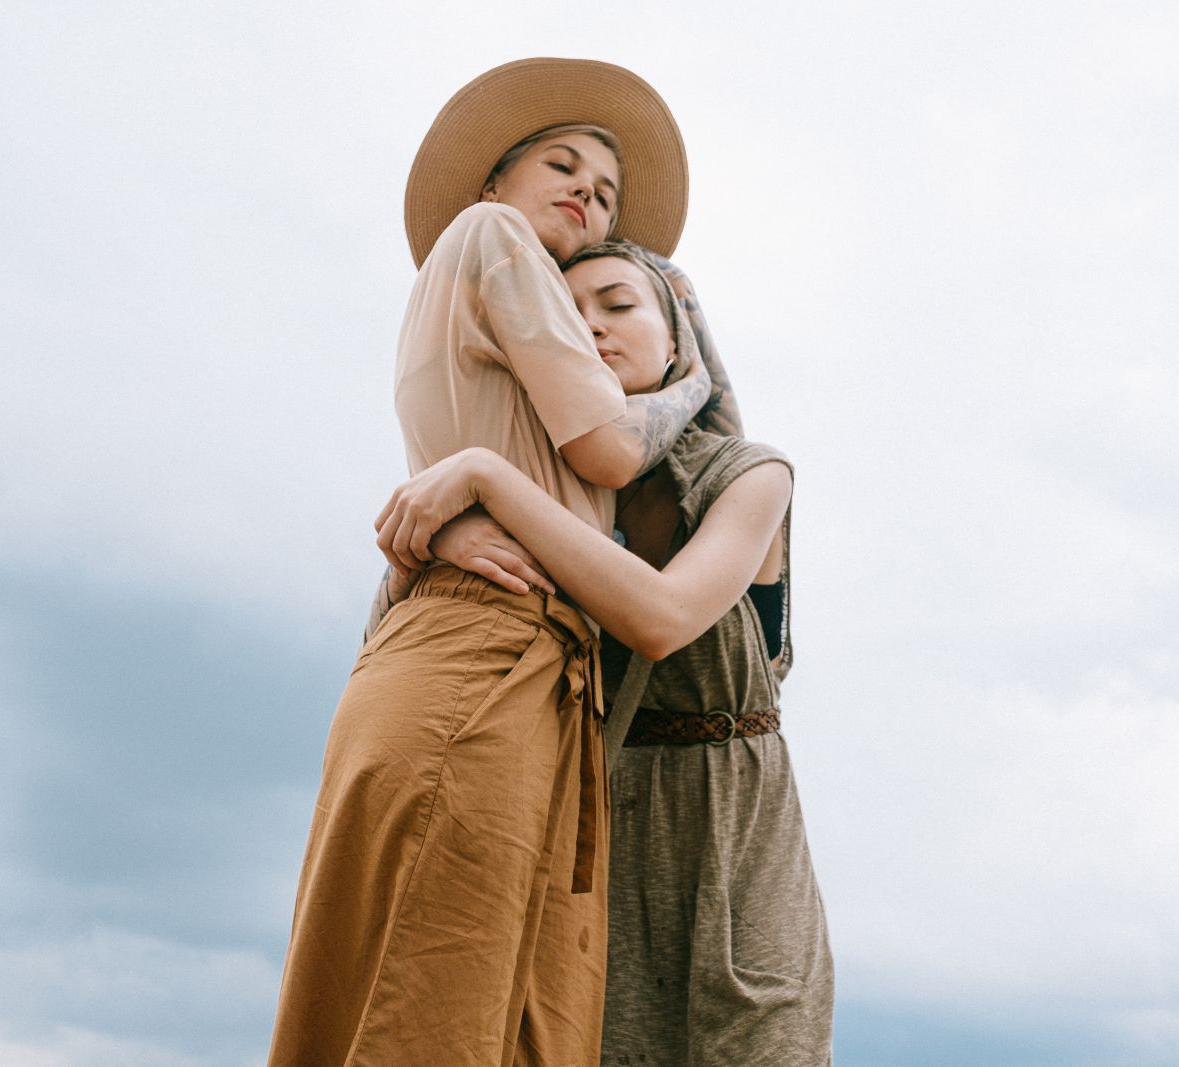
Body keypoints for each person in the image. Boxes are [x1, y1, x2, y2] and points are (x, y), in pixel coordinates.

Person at [267, 59, 717, 1067]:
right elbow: (606, 448)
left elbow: (439, 495)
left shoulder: (485, 318)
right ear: (491, 185)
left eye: (604, 193)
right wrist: (691, 383)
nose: (587, 196)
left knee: (451, 992)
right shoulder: (493, 237)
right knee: (441, 997)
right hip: (487, 659)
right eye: (561, 165)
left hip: (482, 656)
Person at [377, 242, 834, 1065]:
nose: (589, 329)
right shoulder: (531, 494)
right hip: (590, 826)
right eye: (563, 315)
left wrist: (484, 475)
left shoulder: (749, 473)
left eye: (618, 306)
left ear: (677, 339)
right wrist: (436, 537)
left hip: (732, 830)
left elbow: (660, 619)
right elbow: (401, 638)